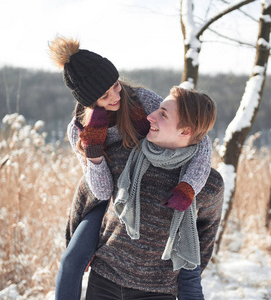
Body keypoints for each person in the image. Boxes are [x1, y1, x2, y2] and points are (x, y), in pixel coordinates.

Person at [49, 36, 213, 299]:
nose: (116, 95)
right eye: (105, 95)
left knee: (186, 270)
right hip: (108, 198)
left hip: (146, 182)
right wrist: (94, 155)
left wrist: (189, 185)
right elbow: (101, 192)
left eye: (116, 85)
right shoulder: (78, 130)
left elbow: (198, 139)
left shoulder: (141, 101)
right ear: (90, 100)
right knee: (71, 261)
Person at [83, 86, 224, 298]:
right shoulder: (123, 154)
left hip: (157, 291)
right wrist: (78, 250)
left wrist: (175, 279)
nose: (150, 116)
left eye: (163, 114)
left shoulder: (209, 184)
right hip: (104, 279)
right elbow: (84, 201)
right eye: (158, 109)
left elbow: (205, 236)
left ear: (185, 131)